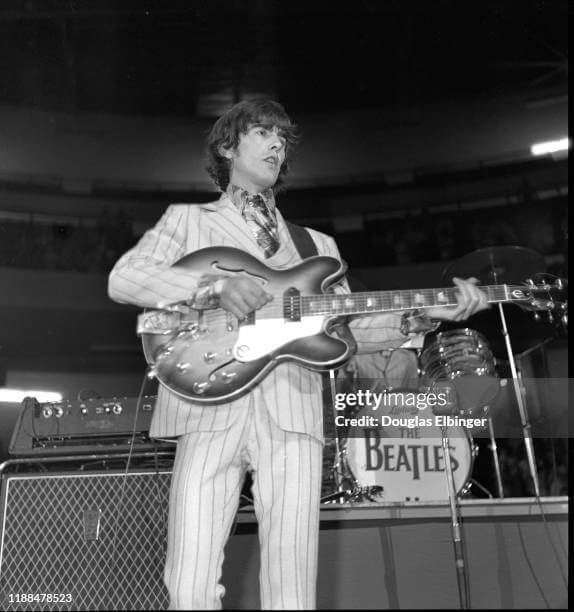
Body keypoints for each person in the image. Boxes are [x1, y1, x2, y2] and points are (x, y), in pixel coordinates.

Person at [108, 99, 489, 610]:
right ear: (227, 146)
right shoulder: (189, 221)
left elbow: (352, 333)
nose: (276, 144)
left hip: (292, 412)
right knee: (188, 583)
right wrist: (214, 284)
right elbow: (125, 278)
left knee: (292, 587)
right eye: (263, 133)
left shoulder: (317, 246)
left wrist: (422, 317)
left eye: (282, 139)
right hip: (208, 402)